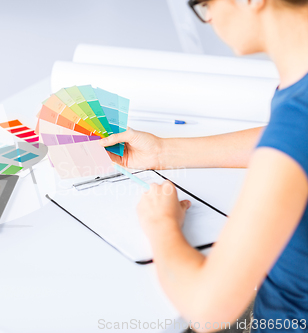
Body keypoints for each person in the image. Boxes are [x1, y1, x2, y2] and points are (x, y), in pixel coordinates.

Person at [99, 0, 308, 332]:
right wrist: (163, 152)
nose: (208, 18)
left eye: (204, 4)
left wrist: (161, 224)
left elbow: (207, 308)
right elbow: (286, 140)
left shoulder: (297, 120)